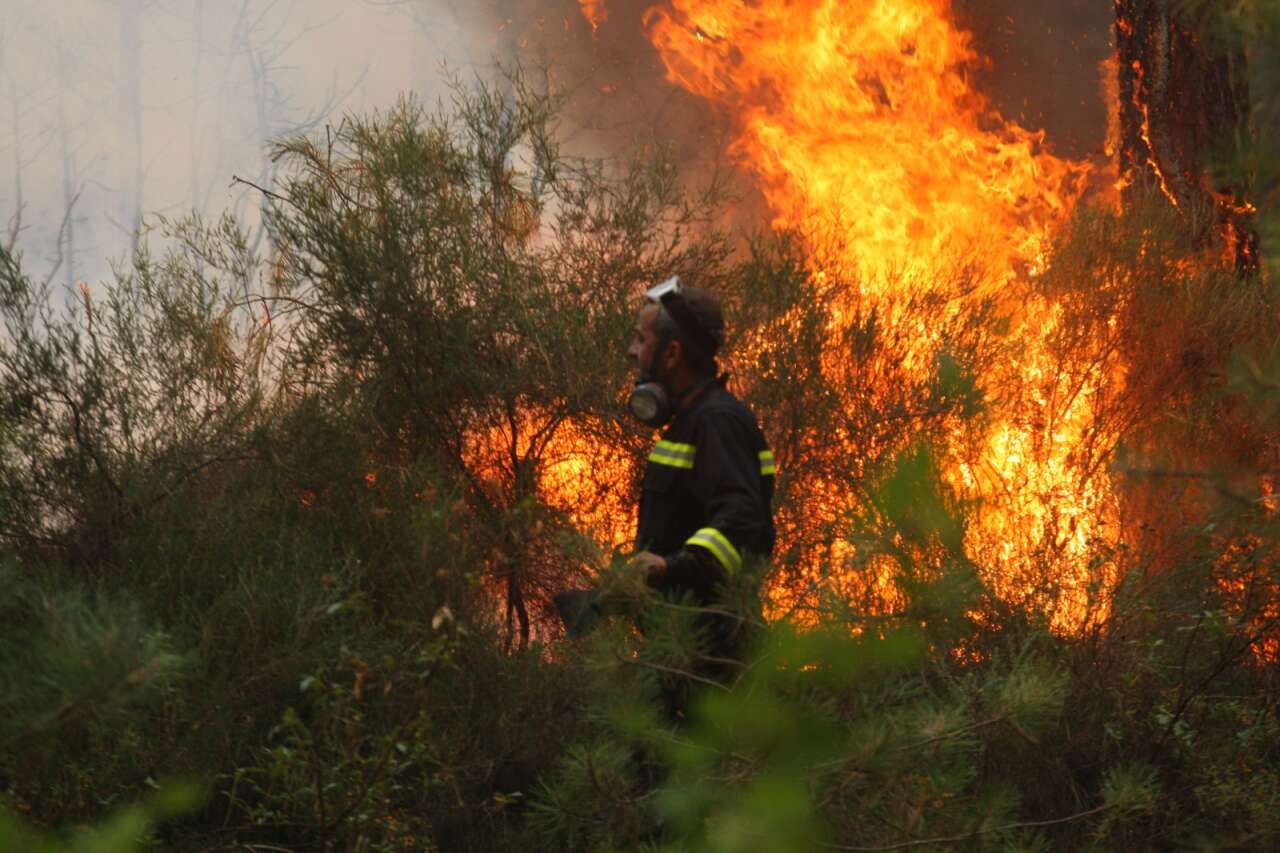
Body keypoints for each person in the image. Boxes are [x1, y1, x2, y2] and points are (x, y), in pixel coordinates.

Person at [558, 276, 776, 717]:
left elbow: (742, 525)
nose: (631, 352)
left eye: (641, 340)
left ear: (672, 354)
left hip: (711, 656)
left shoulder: (716, 422)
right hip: (679, 647)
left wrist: (668, 567)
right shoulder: (691, 422)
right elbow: (682, 525)